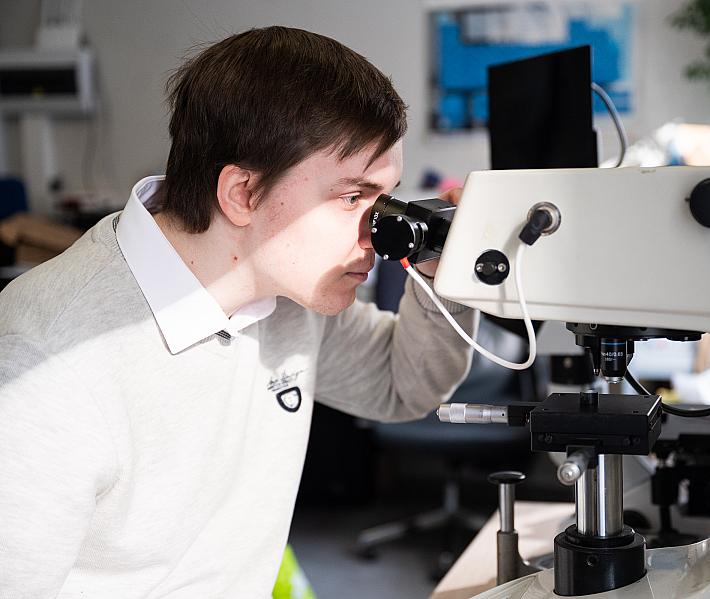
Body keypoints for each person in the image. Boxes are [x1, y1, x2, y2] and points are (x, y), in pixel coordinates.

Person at [0, 26, 476, 598]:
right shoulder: (43, 365)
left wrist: (446, 268)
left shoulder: (288, 294)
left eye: (385, 197)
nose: (378, 231)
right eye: (353, 197)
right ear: (242, 194)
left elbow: (403, 385)